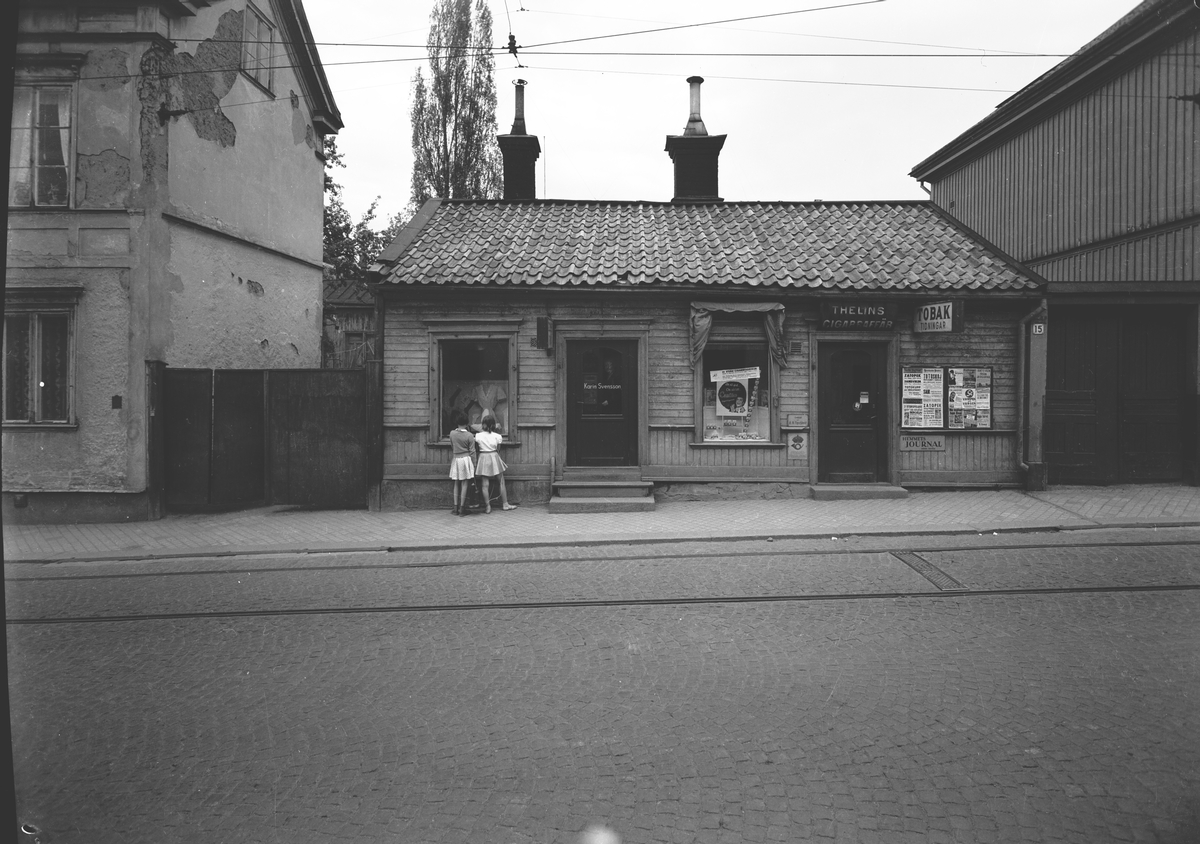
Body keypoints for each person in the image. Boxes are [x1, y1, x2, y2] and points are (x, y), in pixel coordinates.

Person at [473, 416, 517, 513]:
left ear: (483, 424)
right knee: (501, 481)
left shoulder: (478, 436)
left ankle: (488, 506)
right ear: (493, 425)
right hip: (494, 456)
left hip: (483, 457)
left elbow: (476, 448)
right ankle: (505, 504)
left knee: (485, 484)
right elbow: (498, 449)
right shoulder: (497, 436)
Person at [448, 409, 476, 516]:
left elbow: (452, 446)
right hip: (466, 459)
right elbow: (472, 451)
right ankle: (462, 509)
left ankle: (455, 508)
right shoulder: (469, 435)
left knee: (456, 483)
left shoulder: (452, 433)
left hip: (456, 459)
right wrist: (474, 464)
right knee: (465, 483)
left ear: (457, 422)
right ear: (467, 423)